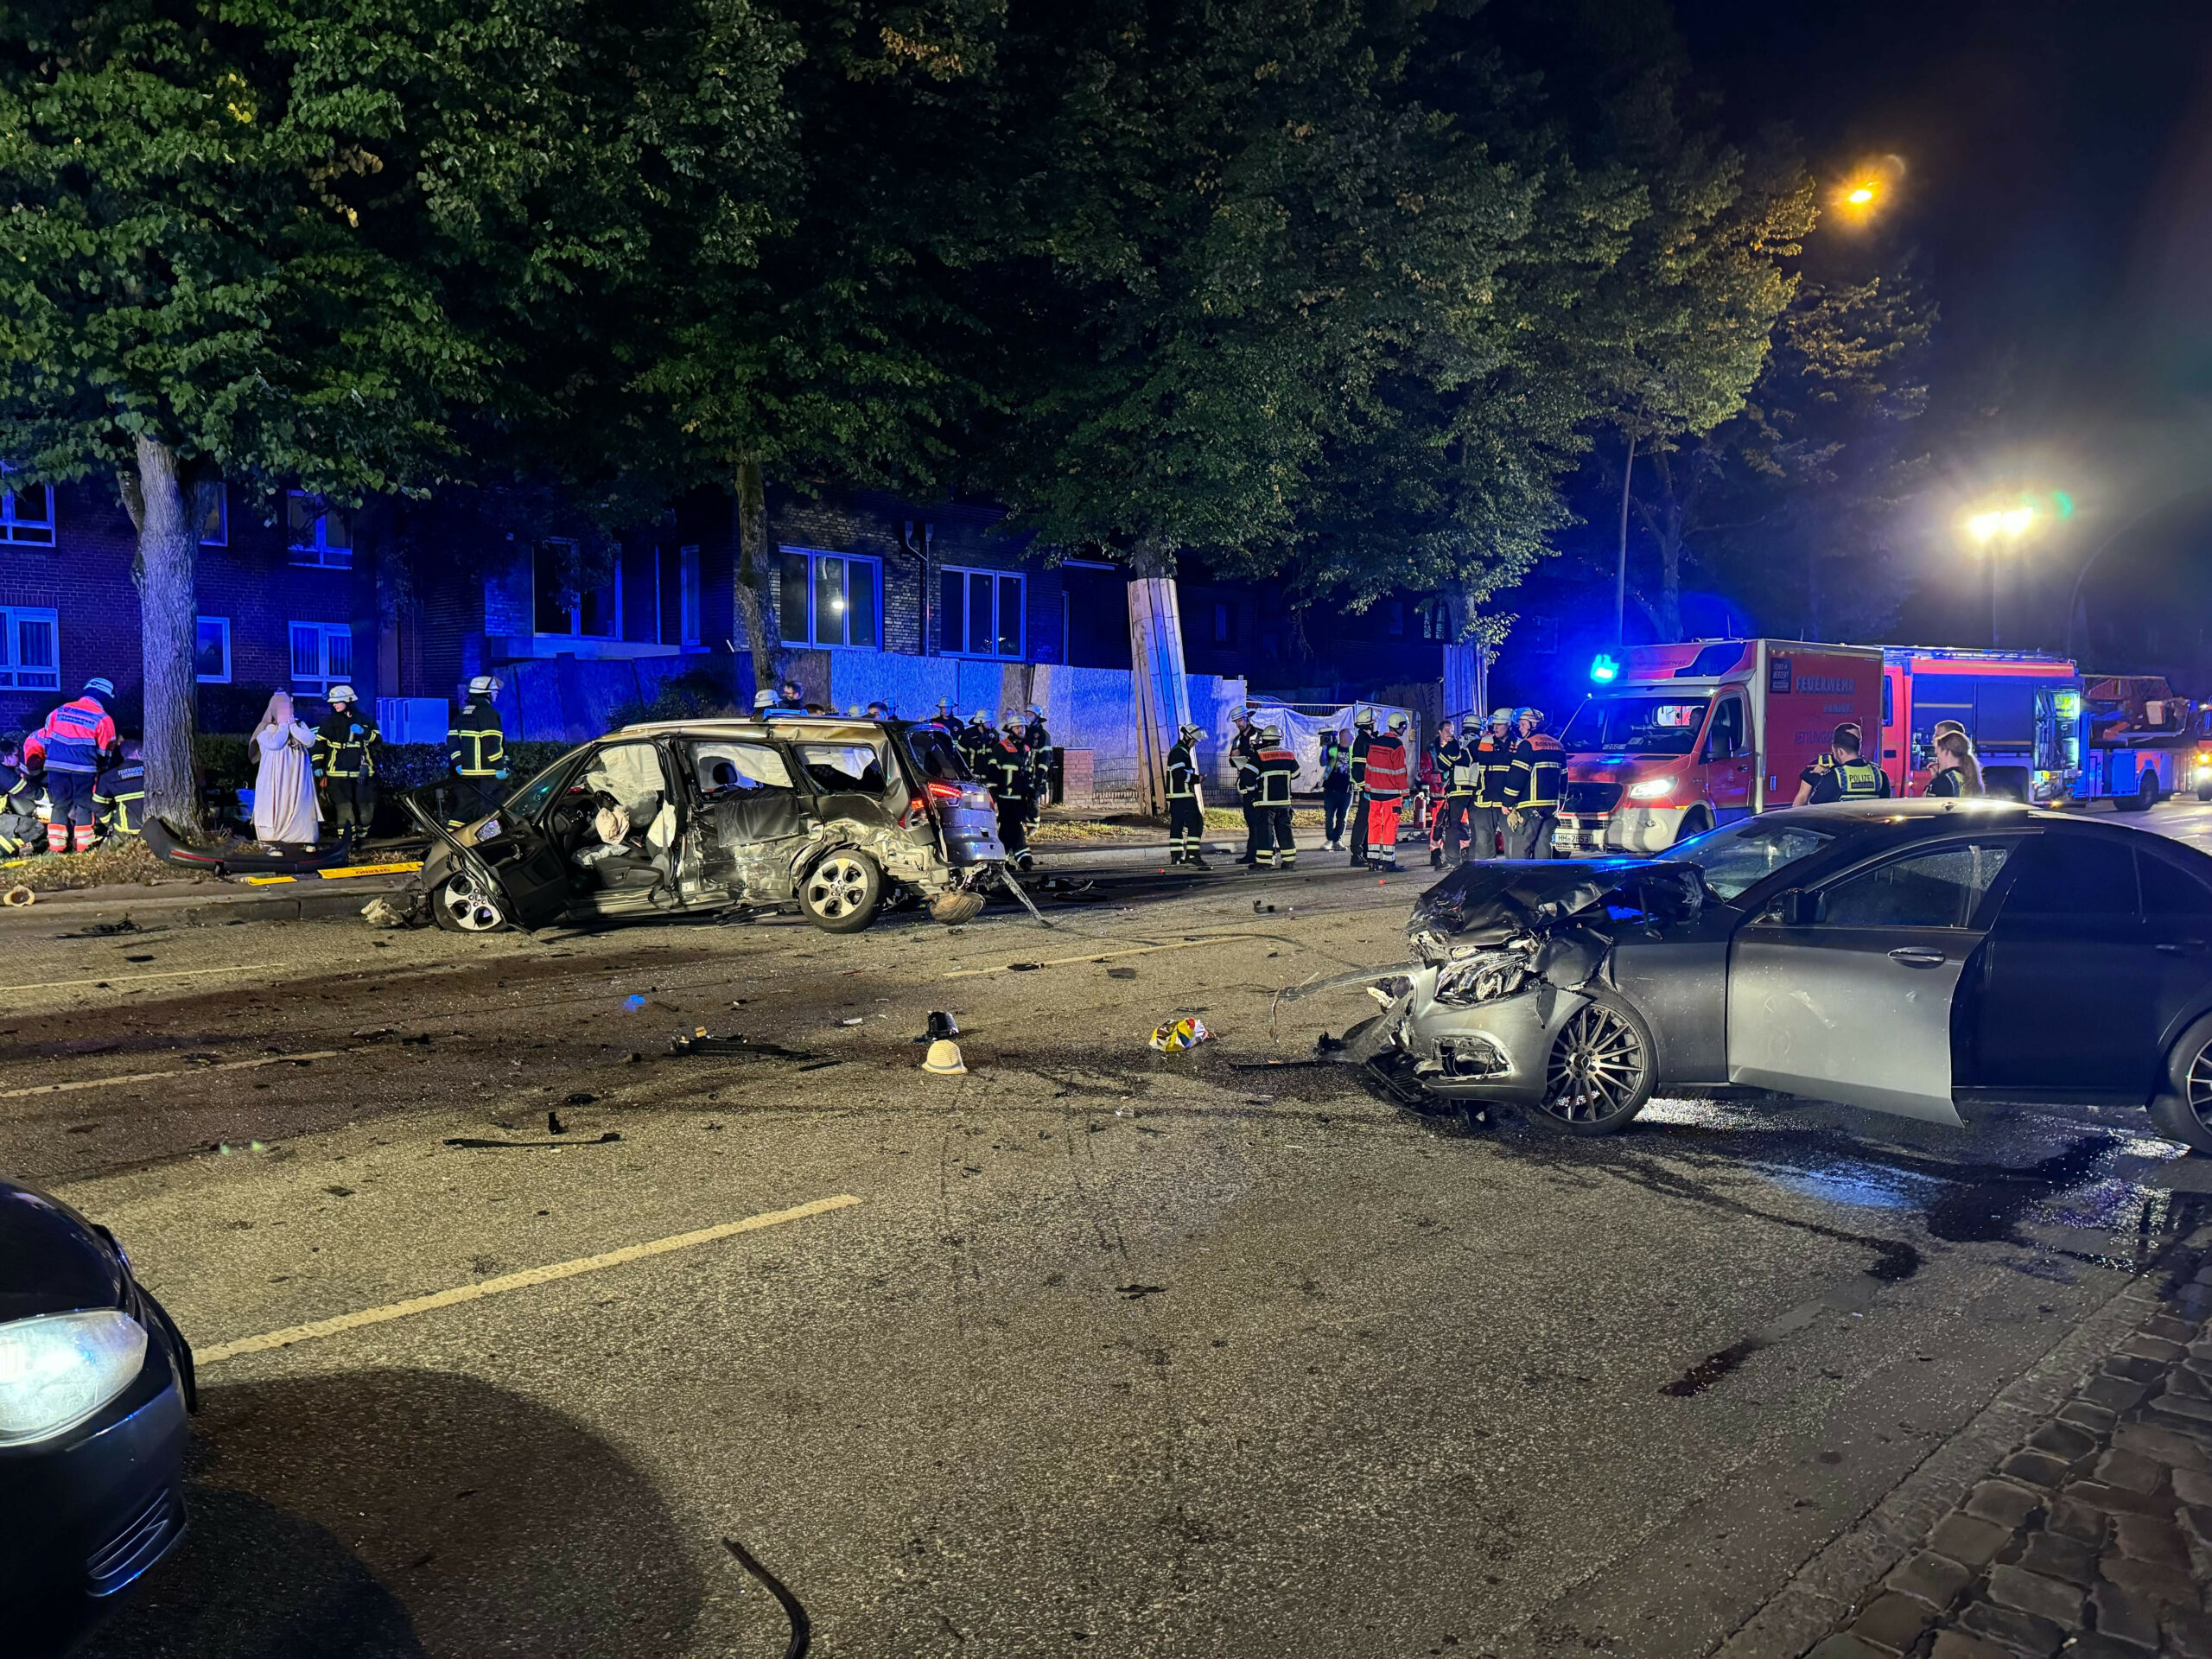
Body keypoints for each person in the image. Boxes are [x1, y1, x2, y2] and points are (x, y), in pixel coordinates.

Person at [23, 676, 118, 854]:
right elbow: (105, 752)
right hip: (84, 769)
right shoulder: (103, 718)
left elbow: (46, 738)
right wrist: (100, 766)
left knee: (60, 805)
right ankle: (84, 848)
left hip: (55, 767)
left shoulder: (59, 711)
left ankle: (56, 848)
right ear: (106, 697)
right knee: (84, 805)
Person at [251, 692, 321, 850]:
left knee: (300, 803)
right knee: (276, 805)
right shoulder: (267, 728)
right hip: (275, 777)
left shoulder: (299, 725)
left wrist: (293, 726)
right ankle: (273, 843)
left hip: (297, 776)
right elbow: (275, 743)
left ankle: (305, 839)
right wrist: (283, 726)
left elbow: (309, 740)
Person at [311, 684, 381, 843]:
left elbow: (377, 739)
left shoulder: (365, 720)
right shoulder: (328, 723)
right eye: (332, 702)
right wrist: (317, 766)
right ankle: (348, 843)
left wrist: (363, 733)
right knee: (344, 809)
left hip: (363, 773)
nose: (334, 705)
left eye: (337, 701)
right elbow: (319, 746)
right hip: (337, 774)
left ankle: (362, 837)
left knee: (366, 811)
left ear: (348, 701)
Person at [1502, 706, 1566, 859]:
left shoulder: (1528, 745)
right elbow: (1564, 778)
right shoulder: (1559, 746)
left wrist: (1507, 802)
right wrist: (1561, 803)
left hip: (1529, 807)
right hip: (1551, 808)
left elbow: (1517, 776)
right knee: (1543, 845)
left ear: (1533, 725)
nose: (1521, 729)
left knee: (1520, 846)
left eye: (1523, 724)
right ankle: (1543, 881)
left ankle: (1518, 882)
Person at [446, 674, 508, 829]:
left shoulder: (464, 713)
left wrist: (458, 762)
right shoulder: (488, 714)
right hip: (487, 775)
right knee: (491, 813)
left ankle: (449, 842)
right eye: (494, 691)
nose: (496, 694)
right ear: (486, 693)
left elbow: (452, 741)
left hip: (465, 776)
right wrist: (501, 767)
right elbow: (492, 743)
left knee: (462, 812)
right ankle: (489, 845)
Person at [1351, 711, 1410, 871]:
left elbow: (1369, 768)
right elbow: (1400, 772)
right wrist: (1405, 795)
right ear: (1399, 726)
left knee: (1374, 825)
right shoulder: (1397, 746)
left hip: (1375, 794)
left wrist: (1368, 788)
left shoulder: (1375, 743)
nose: (1405, 729)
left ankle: (1373, 860)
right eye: (1404, 726)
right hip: (1391, 794)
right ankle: (1388, 862)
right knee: (1390, 826)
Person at [981, 715, 1036, 870]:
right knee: (1012, 825)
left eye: (1023, 727)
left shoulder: (1025, 749)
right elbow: (992, 773)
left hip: (1020, 797)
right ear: (1010, 730)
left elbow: (1028, 773)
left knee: (1008, 828)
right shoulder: (1001, 748)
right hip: (1005, 797)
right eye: (1018, 727)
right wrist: (994, 796)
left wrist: (1030, 790)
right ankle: (1024, 858)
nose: (1021, 730)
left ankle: (1000, 860)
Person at [1469, 708, 1516, 862]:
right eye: (1493, 724)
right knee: (1483, 844)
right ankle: (1485, 879)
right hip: (1484, 803)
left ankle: (1513, 879)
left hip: (1509, 805)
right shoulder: (1482, 743)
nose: (1495, 727)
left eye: (1500, 724)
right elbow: (1460, 760)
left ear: (1509, 725)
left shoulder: (1521, 745)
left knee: (1513, 844)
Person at [1804, 723, 1891, 804]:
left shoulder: (1835, 776)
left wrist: (1823, 777)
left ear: (1839, 751)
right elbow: (1884, 805)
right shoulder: (1880, 775)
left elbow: (1815, 806)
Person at [1252, 722, 1299, 869]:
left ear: (1264, 740)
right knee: (1285, 830)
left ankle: (1264, 862)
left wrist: (1251, 789)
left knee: (1266, 831)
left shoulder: (1259, 755)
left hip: (1266, 802)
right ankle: (1289, 861)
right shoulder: (1289, 755)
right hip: (1284, 801)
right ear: (1279, 739)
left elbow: (1248, 776)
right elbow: (1296, 774)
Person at [1432, 720, 1478, 868]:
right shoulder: (1484, 743)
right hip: (1477, 791)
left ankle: (1452, 860)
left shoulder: (1457, 741)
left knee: (1452, 826)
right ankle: (1474, 859)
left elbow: (1442, 764)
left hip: (1458, 790)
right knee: (1476, 827)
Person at [1166, 722, 1210, 868]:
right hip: (1183, 795)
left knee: (1177, 825)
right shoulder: (1180, 752)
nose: (1195, 743)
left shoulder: (1180, 751)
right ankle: (1192, 854)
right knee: (1196, 823)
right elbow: (1178, 774)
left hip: (1177, 796)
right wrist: (1197, 779)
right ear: (1187, 737)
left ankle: (1176, 856)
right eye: (1195, 740)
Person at [1791, 721, 1865, 806]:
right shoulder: (1819, 765)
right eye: (1850, 738)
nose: (1854, 742)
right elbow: (1802, 797)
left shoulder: (1864, 767)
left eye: (1858, 739)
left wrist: (1828, 773)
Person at [0, 734, 43, 857]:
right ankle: (19, 853)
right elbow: (27, 790)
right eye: (17, 755)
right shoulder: (4, 773)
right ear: (7, 758)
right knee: (36, 828)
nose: (20, 758)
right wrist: (49, 795)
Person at [92, 741, 147, 839]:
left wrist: (109, 821)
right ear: (137, 752)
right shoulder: (154, 770)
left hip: (126, 829)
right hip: (156, 827)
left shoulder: (109, 776)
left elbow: (98, 804)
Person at [1228, 709, 1262, 862]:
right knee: (1251, 820)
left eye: (1240, 721)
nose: (1238, 725)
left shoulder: (1260, 736)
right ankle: (1251, 854)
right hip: (1247, 784)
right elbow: (1232, 762)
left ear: (1247, 718)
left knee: (1261, 821)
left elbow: (1264, 757)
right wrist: (1233, 757)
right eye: (1236, 722)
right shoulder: (1237, 740)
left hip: (1261, 784)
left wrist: (1249, 755)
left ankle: (1263, 853)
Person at [1319, 727, 1352, 850]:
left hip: (1347, 789)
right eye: (1351, 736)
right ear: (1344, 737)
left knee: (1342, 817)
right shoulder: (1333, 749)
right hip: (1331, 787)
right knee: (1330, 816)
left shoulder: (1353, 750)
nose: (1353, 738)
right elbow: (1323, 762)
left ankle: (1338, 840)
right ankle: (1330, 839)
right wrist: (1324, 747)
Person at [1927, 730, 1983, 797]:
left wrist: (1934, 783)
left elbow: (1929, 805)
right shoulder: (1971, 777)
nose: (1938, 760)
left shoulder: (1942, 782)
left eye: (1938, 754)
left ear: (1946, 752)